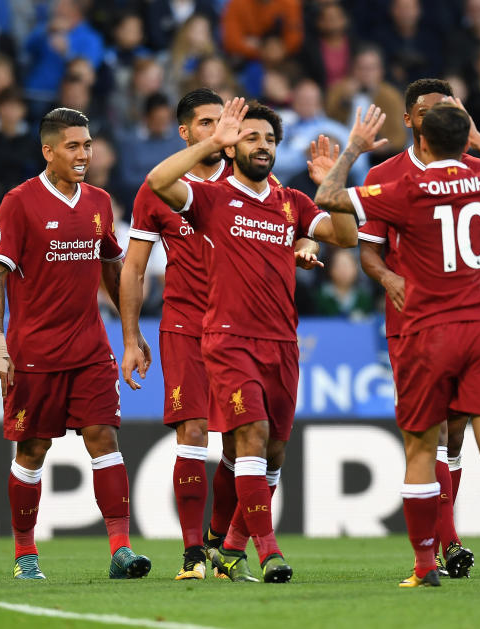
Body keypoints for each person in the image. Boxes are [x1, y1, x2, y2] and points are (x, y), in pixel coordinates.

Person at [315, 102, 480, 589]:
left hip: (429, 332)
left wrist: (352, 147)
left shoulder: (407, 189)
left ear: (421, 141)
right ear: (466, 141)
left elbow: (328, 195)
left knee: (421, 447)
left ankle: (423, 566)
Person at [146, 98, 358, 584]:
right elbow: (157, 183)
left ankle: (231, 548)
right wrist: (210, 141)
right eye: (251, 137)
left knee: (274, 453)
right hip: (228, 338)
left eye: (269, 140)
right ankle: (270, 551)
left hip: (283, 341)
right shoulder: (212, 198)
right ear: (232, 145)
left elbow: (346, 235)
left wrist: (333, 185)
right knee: (252, 438)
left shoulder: (292, 202)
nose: (262, 146)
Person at [0, 107, 151, 580]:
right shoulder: (19, 202)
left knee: (104, 439)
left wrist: (131, 332)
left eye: (88, 144)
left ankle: (121, 549)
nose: (84, 154)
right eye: (73, 146)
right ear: (49, 151)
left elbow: (113, 268)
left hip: (90, 350)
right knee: (32, 452)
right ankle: (25, 555)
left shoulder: (99, 201)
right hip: (33, 353)